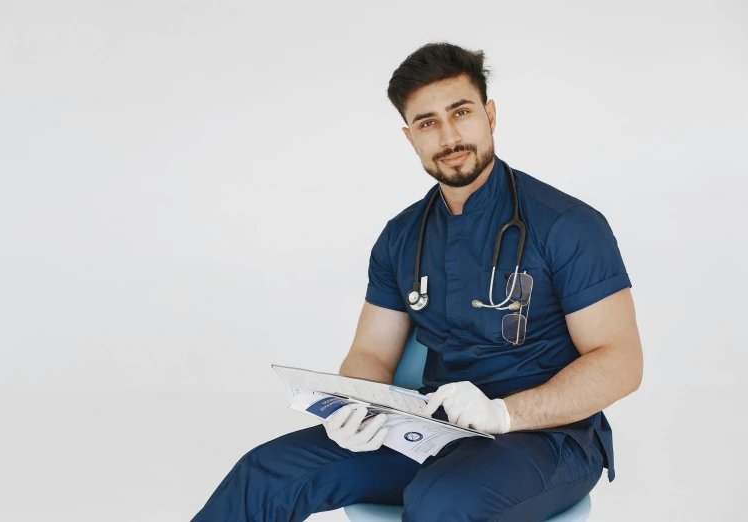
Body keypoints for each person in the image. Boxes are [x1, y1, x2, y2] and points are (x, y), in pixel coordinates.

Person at [190, 41, 643, 522]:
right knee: (267, 473)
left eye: (461, 112)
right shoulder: (402, 236)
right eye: (428, 123)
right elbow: (373, 352)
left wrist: (504, 414)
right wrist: (354, 408)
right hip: (434, 430)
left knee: (441, 502)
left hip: (548, 440)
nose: (449, 136)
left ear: (490, 114)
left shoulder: (567, 224)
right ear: (410, 138)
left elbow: (621, 363)